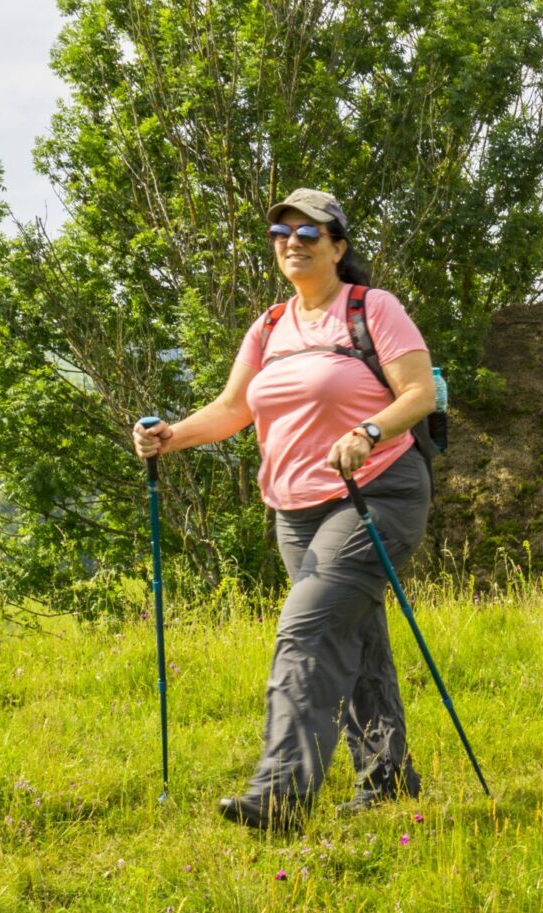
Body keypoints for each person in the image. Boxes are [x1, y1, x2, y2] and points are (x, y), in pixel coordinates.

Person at [132, 188, 437, 829]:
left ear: (338, 247)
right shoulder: (270, 325)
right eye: (281, 233)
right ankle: (388, 781)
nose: (292, 243)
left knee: (307, 633)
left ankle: (279, 795)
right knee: (352, 637)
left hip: (376, 492)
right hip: (294, 512)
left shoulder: (372, 309)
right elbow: (232, 410)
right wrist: (170, 436)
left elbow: (416, 395)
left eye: (308, 233)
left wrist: (368, 432)